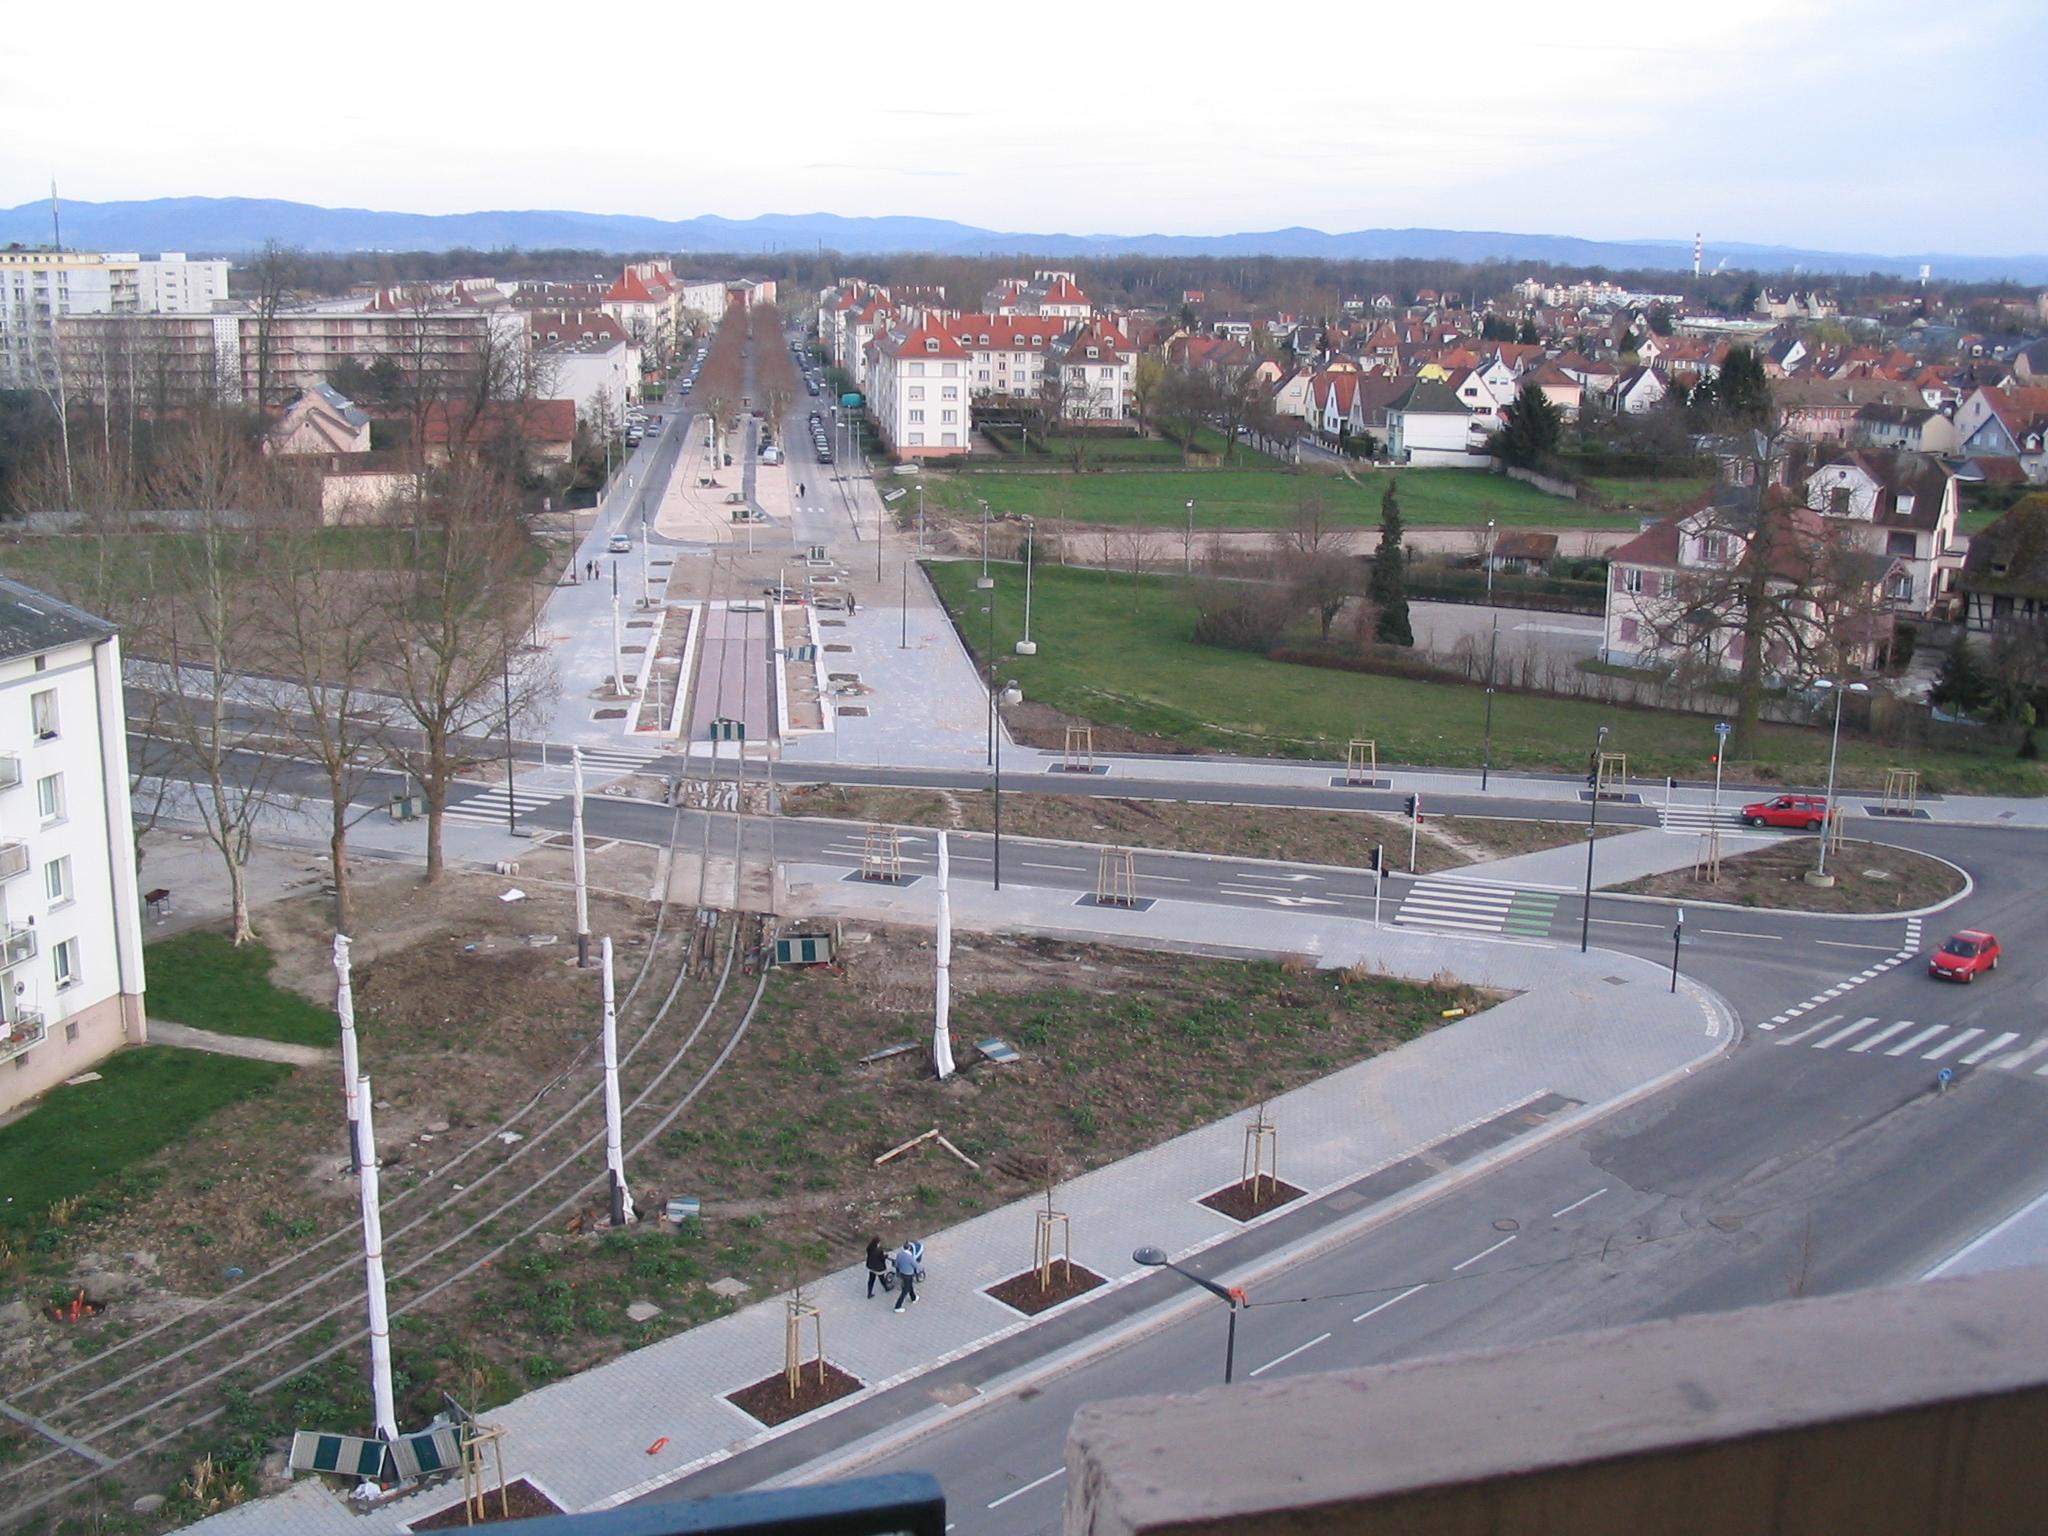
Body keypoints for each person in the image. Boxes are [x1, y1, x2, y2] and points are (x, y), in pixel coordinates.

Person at [892, 1240, 921, 1311]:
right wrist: (919, 1269)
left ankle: (913, 1297)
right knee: (905, 1290)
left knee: (909, 1285)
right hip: (909, 1274)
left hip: (902, 1273)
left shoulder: (899, 1254)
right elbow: (916, 1266)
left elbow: (896, 1264)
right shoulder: (910, 1257)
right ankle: (897, 1306)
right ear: (909, 1248)